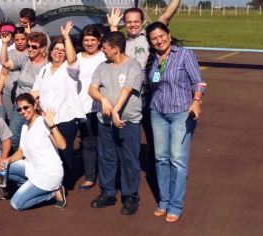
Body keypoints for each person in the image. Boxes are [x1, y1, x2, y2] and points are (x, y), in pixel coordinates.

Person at [146, 21, 206, 223]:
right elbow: (154, 85)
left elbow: (198, 81)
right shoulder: (153, 60)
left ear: (169, 35)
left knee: (177, 160)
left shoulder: (184, 54)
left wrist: (196, 101)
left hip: (181, 112)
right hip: (158, 112)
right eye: (154, 38)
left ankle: (175, 205)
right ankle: (163, 201)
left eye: (162, 36)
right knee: (161, 158)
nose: (159, 40)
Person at [88, 31, 145, 215]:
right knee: (107, 157)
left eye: (104, 48)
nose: (102, 51)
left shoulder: (133, 66)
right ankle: (108, 192)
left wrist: (115, 110)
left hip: (127, 122)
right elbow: (92, 89)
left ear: (116, 49)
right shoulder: (102, 67)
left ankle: (130, 196)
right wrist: (103, 101)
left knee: (129, 159)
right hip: (105, 122)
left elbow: (127, 89)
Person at [30, 21, 84, 190]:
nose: (59, 53)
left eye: (62, 51)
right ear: (50, 52)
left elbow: (73, 58)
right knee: (50, 152)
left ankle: (66, 184)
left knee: (65, 151)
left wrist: (67, 37)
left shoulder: (70, 69)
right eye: (56, 50)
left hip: (66, 117)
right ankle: (53, 181)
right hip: (47, 118)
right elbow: (35, 91)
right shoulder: (45, 69)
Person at [106, 0, 195, 68]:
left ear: (142, 21)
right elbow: (114, 46)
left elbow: (166, 16)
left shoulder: (150, 36)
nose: (133, 25)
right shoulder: (122, 41)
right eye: (129, 22)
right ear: (125, 23)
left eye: (136, 21)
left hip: (146, 80)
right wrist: (113, 26)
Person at [1, 94, 68, 210]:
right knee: (2, 168)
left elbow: (62, 145)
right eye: (19, 109)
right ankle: (30, 187)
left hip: (49, 173)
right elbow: (20, 152)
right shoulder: (25, 127)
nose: (23, 111)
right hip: (33, 169)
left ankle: (53, 193)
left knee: (16, 204)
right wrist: (7, 160)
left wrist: (52, 125)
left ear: (35, 105)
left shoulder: (44, 122)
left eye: (26, 107)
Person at [0, 31, 48, 145]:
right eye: (29, 46)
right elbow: (5, 63)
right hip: (20, 107)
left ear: (42, 48)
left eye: (34, 47)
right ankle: (19, 159)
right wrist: (4, 44)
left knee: (36, 138)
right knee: (14, 136)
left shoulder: (47, 65)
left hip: (37, 108)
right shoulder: (25, 59)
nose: (30, 49)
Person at [75, 24, 106, 191]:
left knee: (103, 142)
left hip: (101, 106)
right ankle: (89, 177)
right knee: (87, 143)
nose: (89, 43)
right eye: (86, 40)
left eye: (93, 39)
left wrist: (114, 27)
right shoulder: (77, 57)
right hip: (83, 106)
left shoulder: (103, 56)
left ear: (99, 40)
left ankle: (105, 176)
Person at [0, 26, 28, 135]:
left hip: (25, 94)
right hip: (9, 93)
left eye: (22, 39)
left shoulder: (32, 52)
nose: (20, 42)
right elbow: (3, 73)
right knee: (11, 120)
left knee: (23, 123)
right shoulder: (11, 52)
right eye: (17, 39)